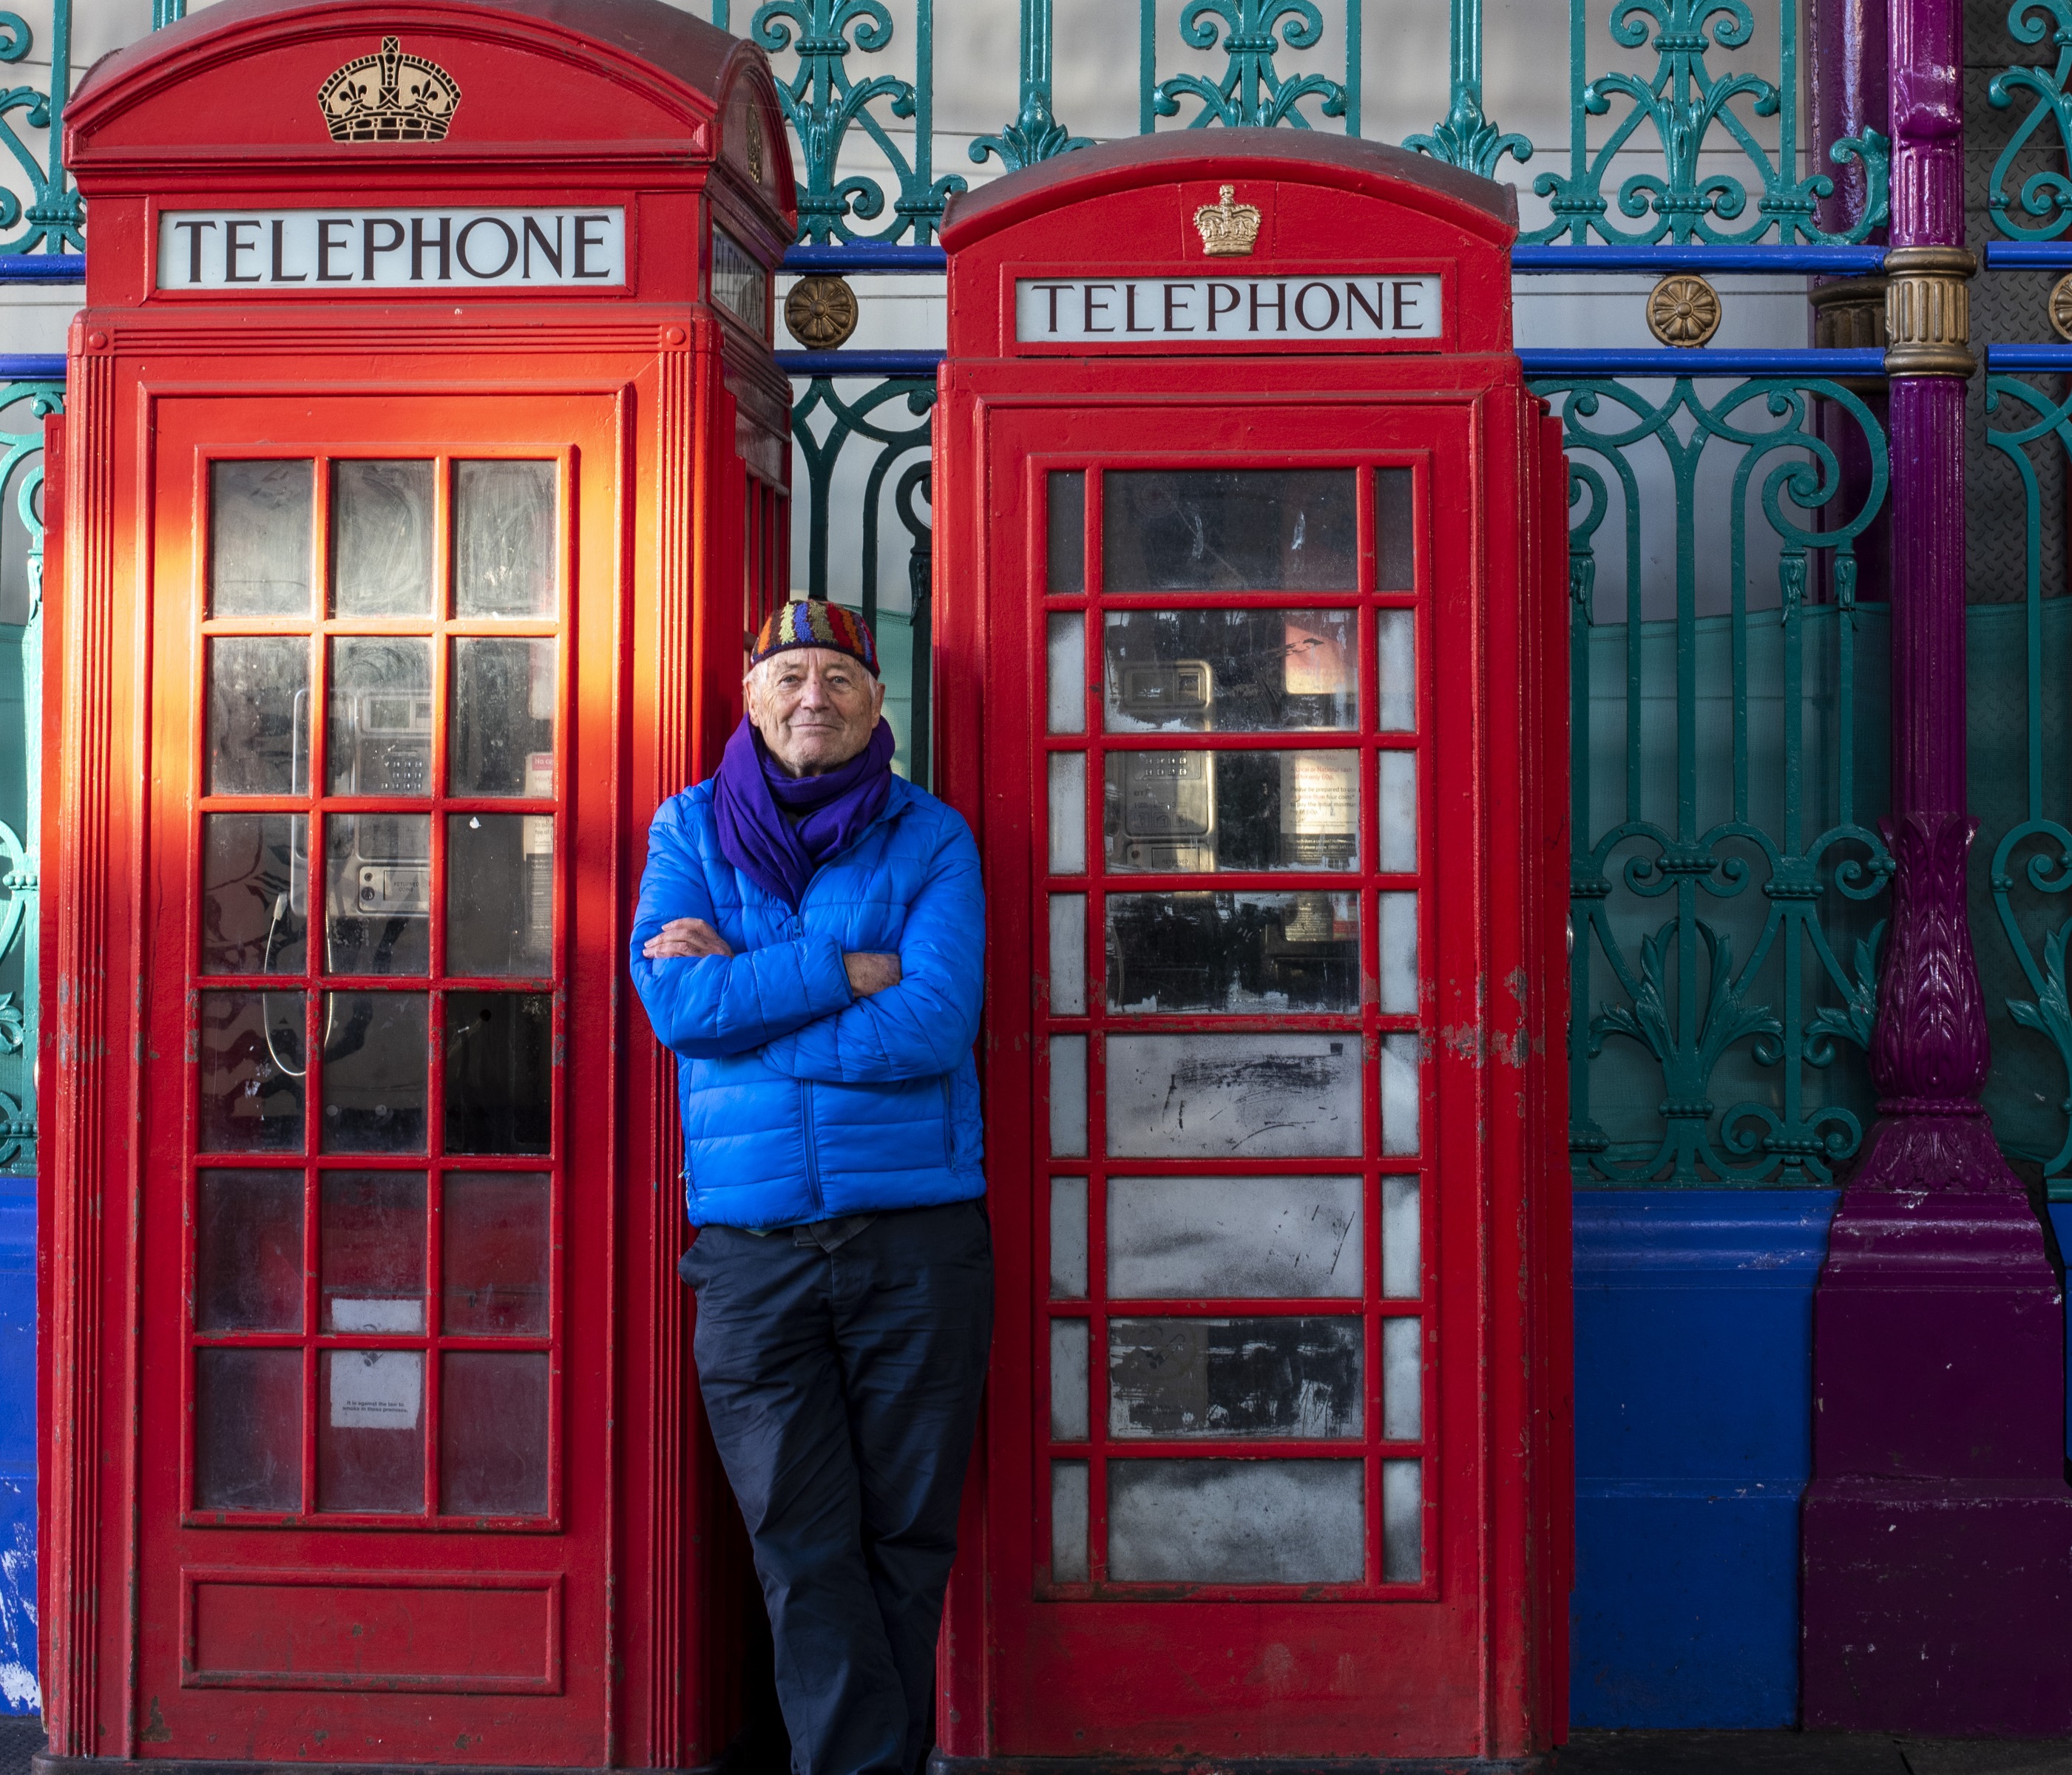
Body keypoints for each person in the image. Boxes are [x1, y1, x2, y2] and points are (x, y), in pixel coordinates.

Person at [629, 600, 990, 1775]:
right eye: (786, 675)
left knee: (905, 1532)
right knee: (797, 1538)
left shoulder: (931, 838)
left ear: (876, 703)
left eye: (836, 677)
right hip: (754, 1252)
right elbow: (678, 1008)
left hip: (917, 1240)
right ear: (749, 698)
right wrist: (842, 970)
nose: (811, 698)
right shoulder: (685, 831)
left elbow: (933, 1024)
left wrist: (754, 1004)